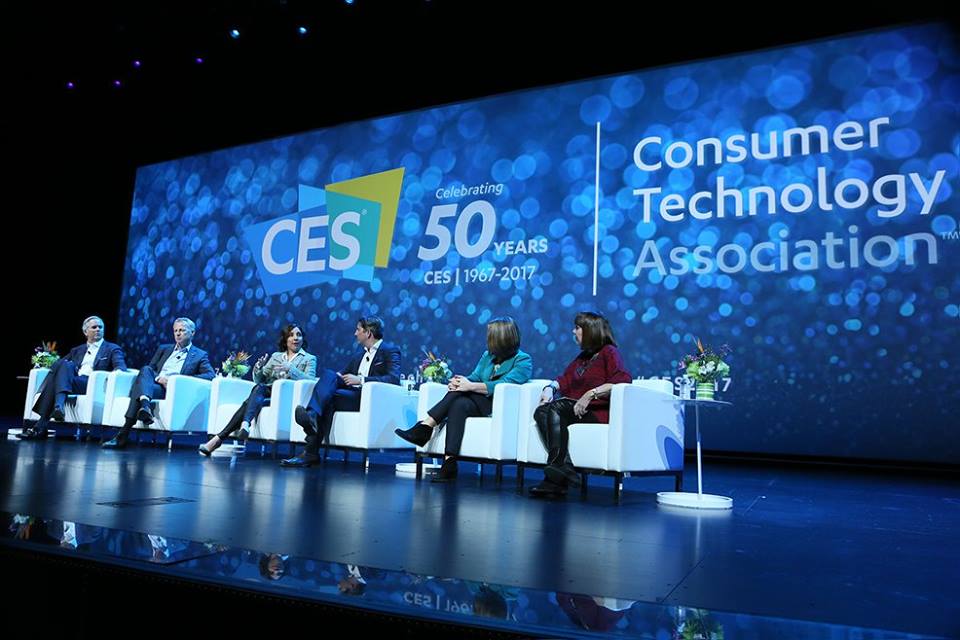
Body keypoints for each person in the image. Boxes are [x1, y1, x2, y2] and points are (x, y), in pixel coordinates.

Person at [394, 316, 532, 482]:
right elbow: (475, 376)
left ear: (501, 338)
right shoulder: (488, 356)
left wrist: (469, 386)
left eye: (490, 335)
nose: (487, 339)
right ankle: (449, 462)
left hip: (497, 406)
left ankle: (426, 426)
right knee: (458, 404)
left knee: (460, 394)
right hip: (476, 402)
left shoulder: (523, 360)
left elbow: (504, 384)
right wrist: (459, 381)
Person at [528, 311, 632, 498]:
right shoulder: (583, 357)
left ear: (590, 330)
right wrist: (550, 388)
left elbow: (622, 380)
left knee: (556, 407)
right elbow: (564, 379)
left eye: (577, 328)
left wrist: (590, 394)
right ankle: (562, 469)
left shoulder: (609, 352)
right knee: (541, 411)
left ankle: (557, 472)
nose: (573, 331)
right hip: (574, 410)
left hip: (596, 413)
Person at [280, 315, 401, 467]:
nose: (355, 333)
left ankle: (310, 442)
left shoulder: (390, 351)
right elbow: (340, 375)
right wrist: (328, 381)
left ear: (368, 333)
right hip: (350, 395)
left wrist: (361, 380)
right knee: (329, 379)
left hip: (367, 398)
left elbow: (393, 378)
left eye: (358, 330)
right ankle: (311, 423)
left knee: (327, 398)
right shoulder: (359, 355)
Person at [199, 323, 316, 456]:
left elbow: (310, 381)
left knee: (248, 403)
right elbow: (260, 380)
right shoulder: (277, 356)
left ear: (303, 339)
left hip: (286, 398)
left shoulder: (309, 359)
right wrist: (258, 368)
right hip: (268, 393)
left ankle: (220, 438)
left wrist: (291, 369)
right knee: (259, 388)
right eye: (291, 335)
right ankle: (243, 425)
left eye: (299, 335)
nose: (295, 338)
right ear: (285, 339)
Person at [102, 317, 215, 449]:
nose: (178, 334)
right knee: (145, 369)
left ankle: (124, 432)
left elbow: (210, 375)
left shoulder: (199, 355)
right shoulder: (164, 349)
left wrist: (176, 380)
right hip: (155, 385)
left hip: (171, 390)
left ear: (192, 333)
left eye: (182, 330)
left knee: (140, 390)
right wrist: (159, 378)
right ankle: (145, 405)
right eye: (175, 331)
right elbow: (151, 370)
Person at [20, 315, 127, 440]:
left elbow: (121, 367)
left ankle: (42, 424)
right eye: (94, 327)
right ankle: (56, 409)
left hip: (92, 384)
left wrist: (111, 376)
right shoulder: (77, 350)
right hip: (72, 382)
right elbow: (59, 365)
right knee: (65, 365)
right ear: (85, 332)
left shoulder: (112, 348)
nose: (98, 329)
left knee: (59, 375)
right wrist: (45, 362)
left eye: (100, 327)